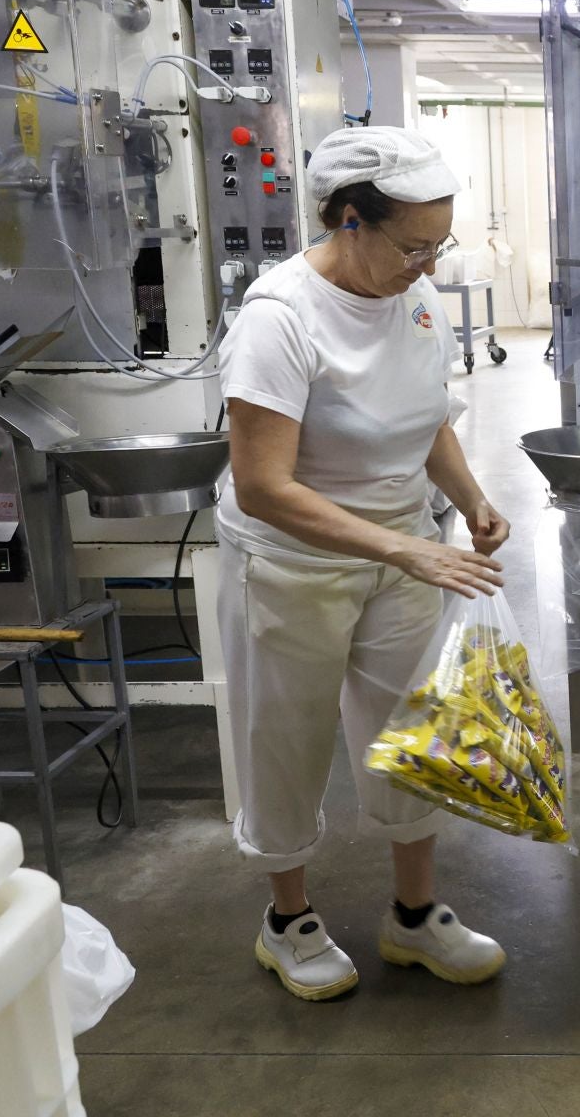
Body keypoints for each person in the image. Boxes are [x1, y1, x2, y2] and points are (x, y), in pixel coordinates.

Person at [216, 126, 513, 1000]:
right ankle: (287, 921)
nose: (428, 264)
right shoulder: (281, 317)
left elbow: (428, 420)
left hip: (403, 556)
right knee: (290, 737)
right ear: (350, 220)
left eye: (438, 245)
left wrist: (469, 501)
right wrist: (402, 544)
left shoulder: (411, 300)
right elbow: (263, 485)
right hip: (294, 564)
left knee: (411, 731)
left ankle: (414, 918)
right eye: (414, 244)